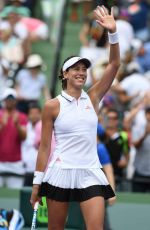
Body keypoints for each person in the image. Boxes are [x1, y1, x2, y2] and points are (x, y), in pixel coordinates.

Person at [30, 5, 120, 230]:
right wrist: (36, 185)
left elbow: (115, 64)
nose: (81, 72)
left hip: (90, 172)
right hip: (60, 172)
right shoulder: (52, 106)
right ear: (65, 74)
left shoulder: (94, 97)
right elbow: (44, 147)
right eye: (75, 68)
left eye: (84, 69)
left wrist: (113, 33)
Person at [0, 88, 27, 188]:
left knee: (15, 197)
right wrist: (2, 125)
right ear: (4, 100)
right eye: (8, 99)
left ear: (15, 101)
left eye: (12, 99)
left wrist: (17, 125)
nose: (10, 101)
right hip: (0, 162)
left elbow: (24, 137)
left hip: (16, 164)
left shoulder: (22, 117)